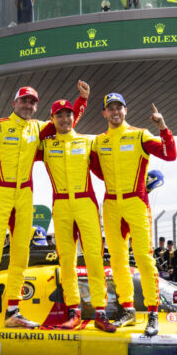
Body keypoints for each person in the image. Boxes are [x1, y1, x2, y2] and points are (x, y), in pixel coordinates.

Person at [0, 81, 89, 329]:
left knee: (21, 254)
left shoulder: (38, 128)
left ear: (36, 107)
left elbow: (66, 124)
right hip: (0, 193)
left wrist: (82, 101)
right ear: (15, 103)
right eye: (24, 100)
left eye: (32, 102)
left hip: (25, 195)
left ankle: (13, 311)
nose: (28, 105)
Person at [89, 93, 176, 335]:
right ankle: (127, 310)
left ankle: (152, 313)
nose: (115, 112)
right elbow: (96, 169)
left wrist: (163, 128)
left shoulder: (140, 134)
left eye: (119, 107)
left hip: (136, 202)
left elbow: (170, 155)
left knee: (144, 259)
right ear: (104, 113)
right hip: (111, 204)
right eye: (110, 108)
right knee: (117, 261)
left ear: (125, 110)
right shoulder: (98, 141)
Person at [37, 98, 114, 332]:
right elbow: (26, 145)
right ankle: (73, 311)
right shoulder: (45, 145)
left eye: (68, 114)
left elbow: (104, 172)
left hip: (85, 202)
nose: (65, 119)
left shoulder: (87, 141)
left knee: (94, 257)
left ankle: (101, 312)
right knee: (66, 260)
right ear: (52, 119)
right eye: (59, 115)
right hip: (60, 204)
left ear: (74, 116)